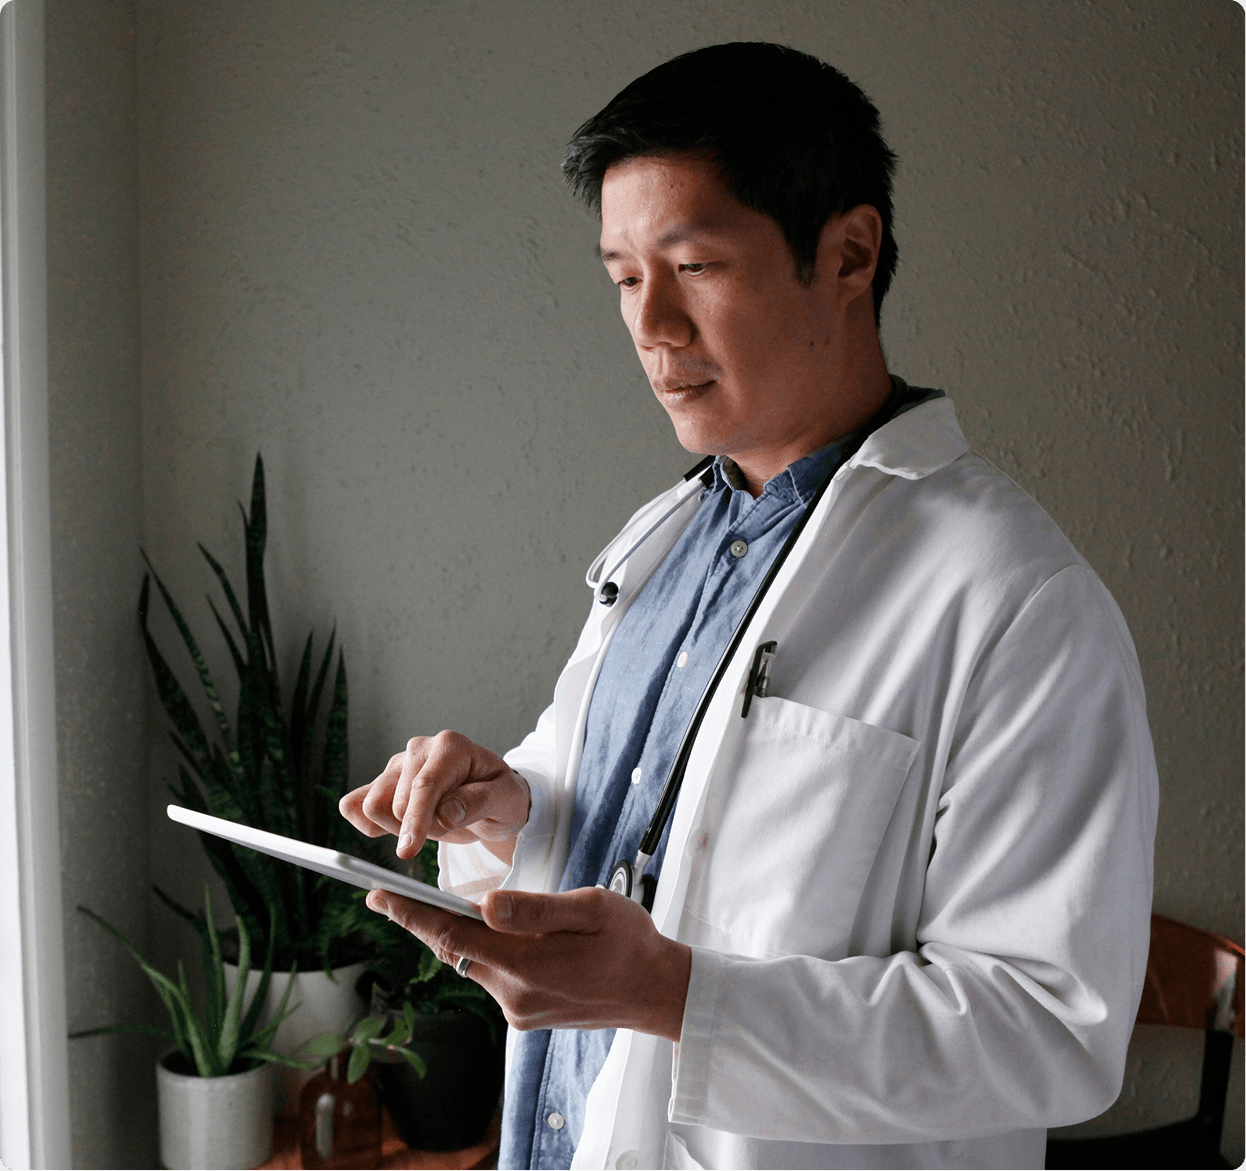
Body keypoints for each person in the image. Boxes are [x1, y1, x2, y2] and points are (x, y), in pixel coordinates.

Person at [340, 42, 1158, 1171]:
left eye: (696, 266)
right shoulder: (664, 542)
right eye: (624, 276)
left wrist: (682, 996)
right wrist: (508, 809)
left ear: (849, 254)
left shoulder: (1018, 600)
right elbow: (639, 841)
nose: (652, 326)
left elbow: (1050, 1031)